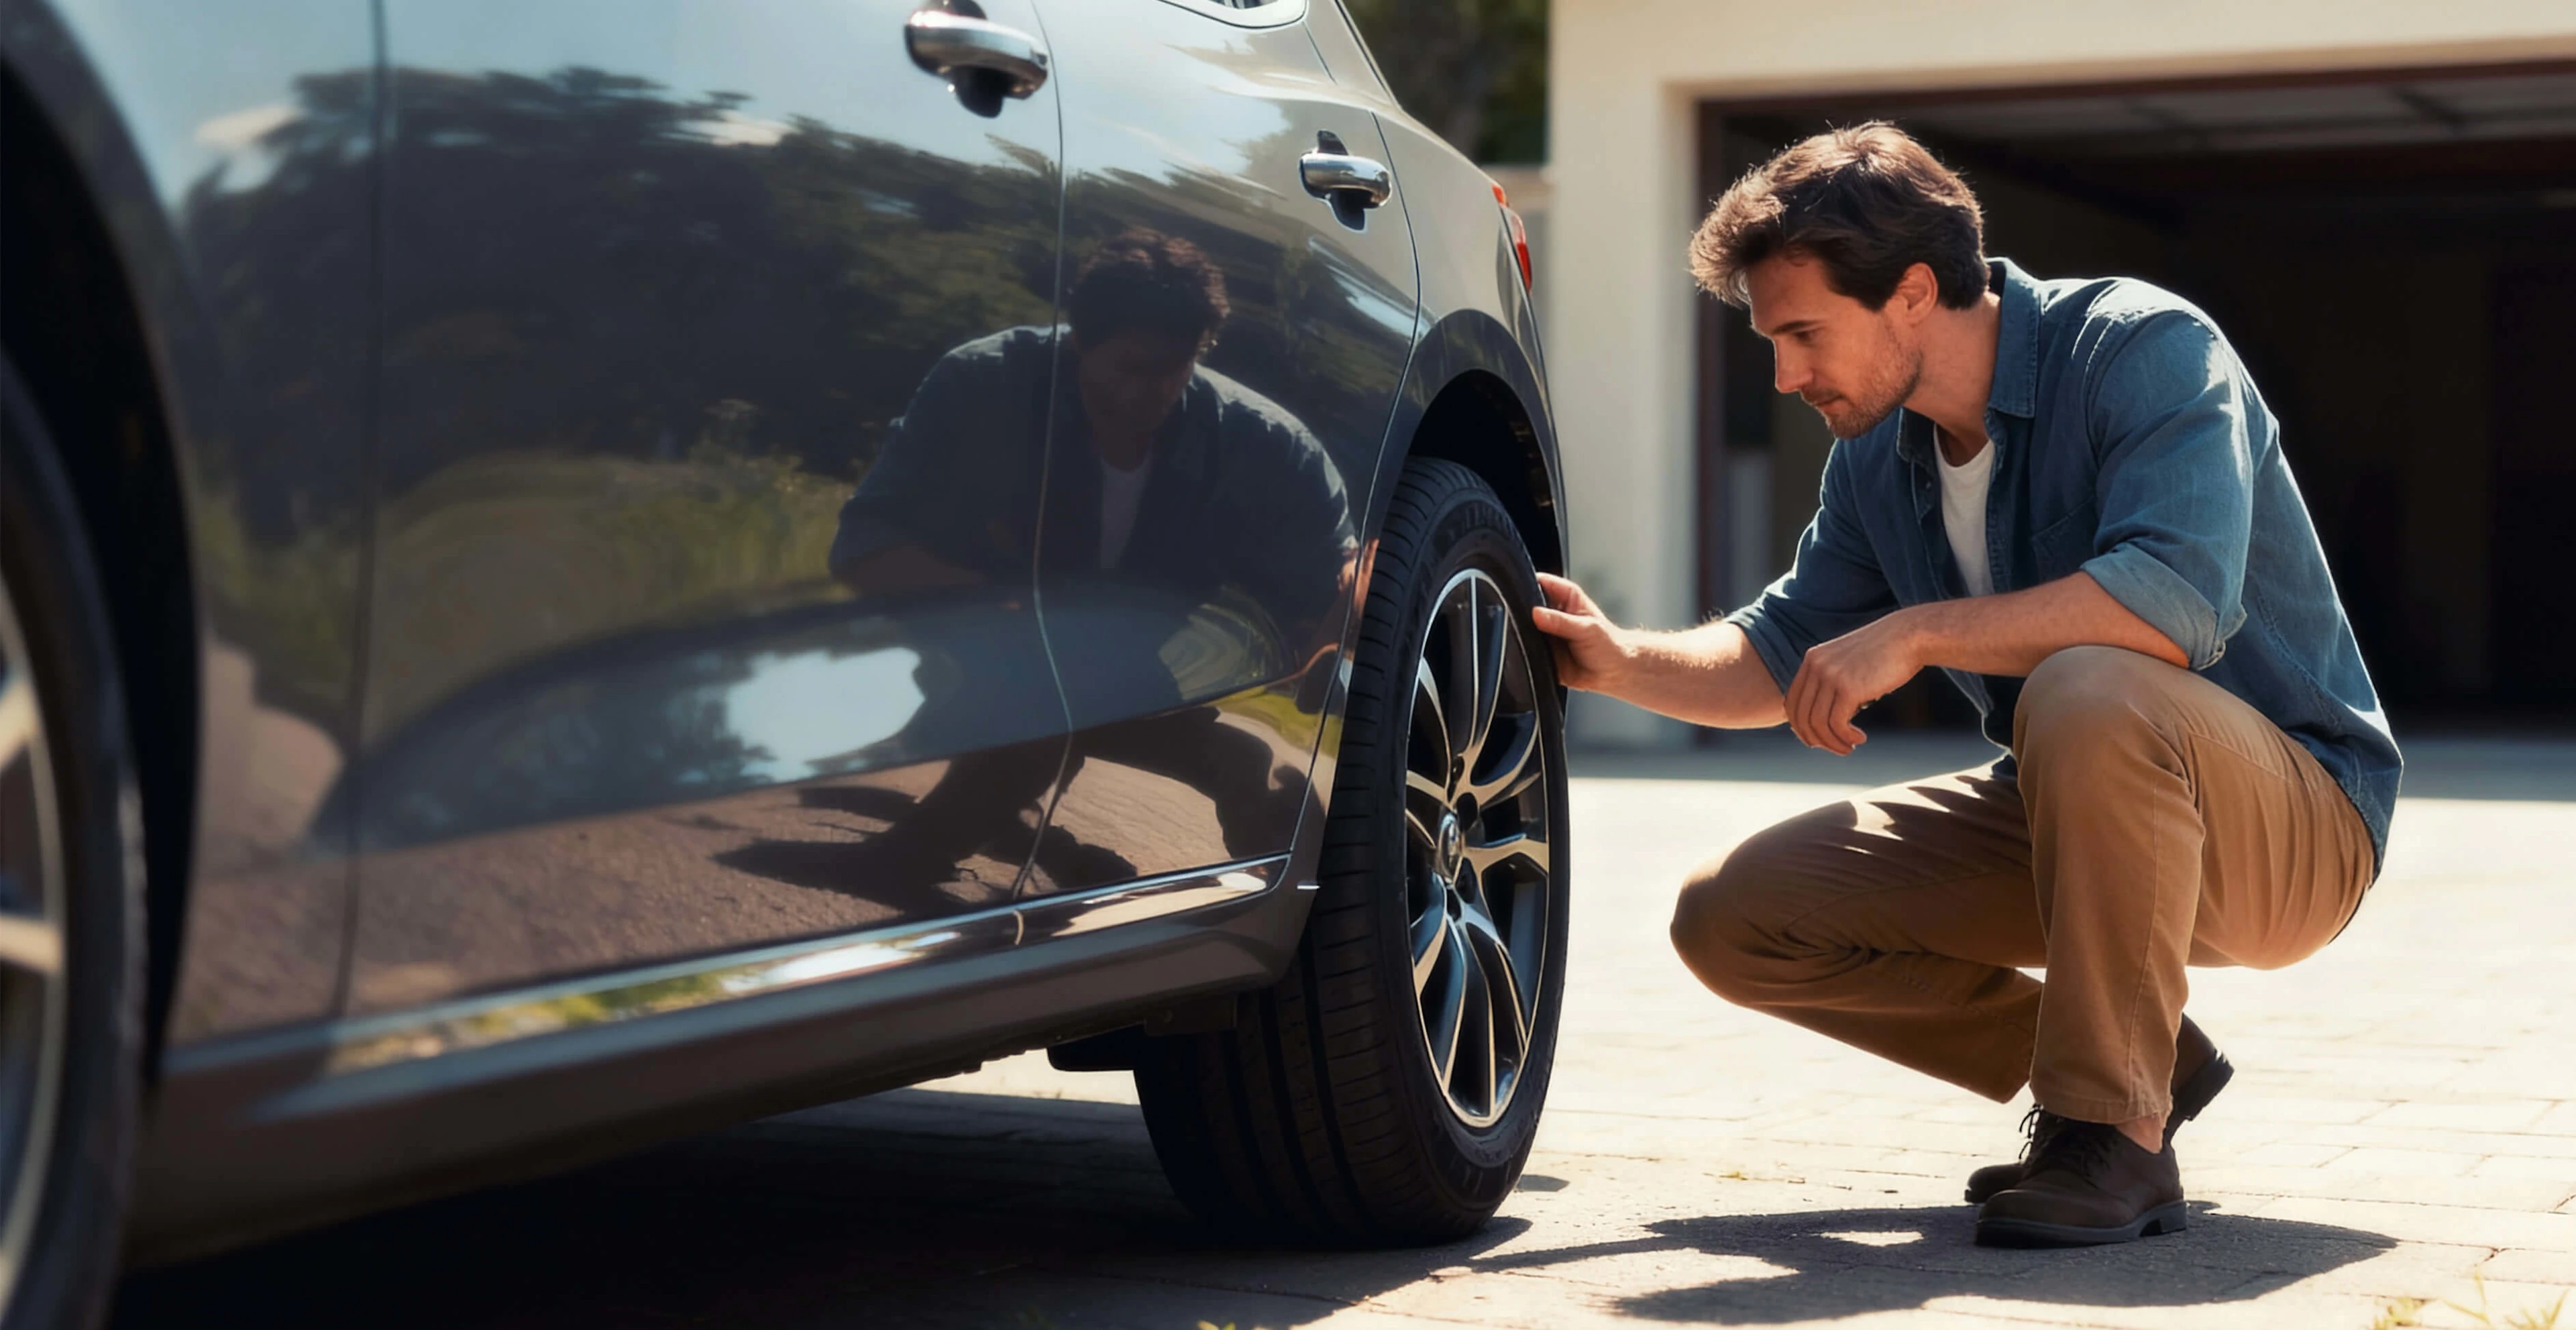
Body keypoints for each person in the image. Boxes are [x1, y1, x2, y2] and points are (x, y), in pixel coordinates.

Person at [1530, 123, 2400, 1248]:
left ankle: (2115, 1131)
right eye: (1773, 342)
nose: (1788, 374)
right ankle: (2141, 1058)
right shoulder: (1877, 457)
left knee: (2089, 683)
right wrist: (1618, 661)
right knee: (1734, 916)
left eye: (1804, 333)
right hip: (2081, 801)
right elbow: (1781, 648)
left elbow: (2172, 602)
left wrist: (1916, 633)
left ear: (1911, 293)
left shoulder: (2144, 348)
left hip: (2294, 826)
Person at [830, 229, 1356, 885]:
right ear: (1079, 339)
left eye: (1177, 368)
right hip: (992, 660)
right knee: (907, 859)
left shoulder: (1272, 450)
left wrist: (1335, 620)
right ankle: (940, 841)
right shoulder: (984, 387)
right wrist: (998, 620)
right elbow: (865, 545)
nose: (1156, 390)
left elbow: (1341, 597)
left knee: (1279, 804)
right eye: (1135, 368)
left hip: (1155, 690)